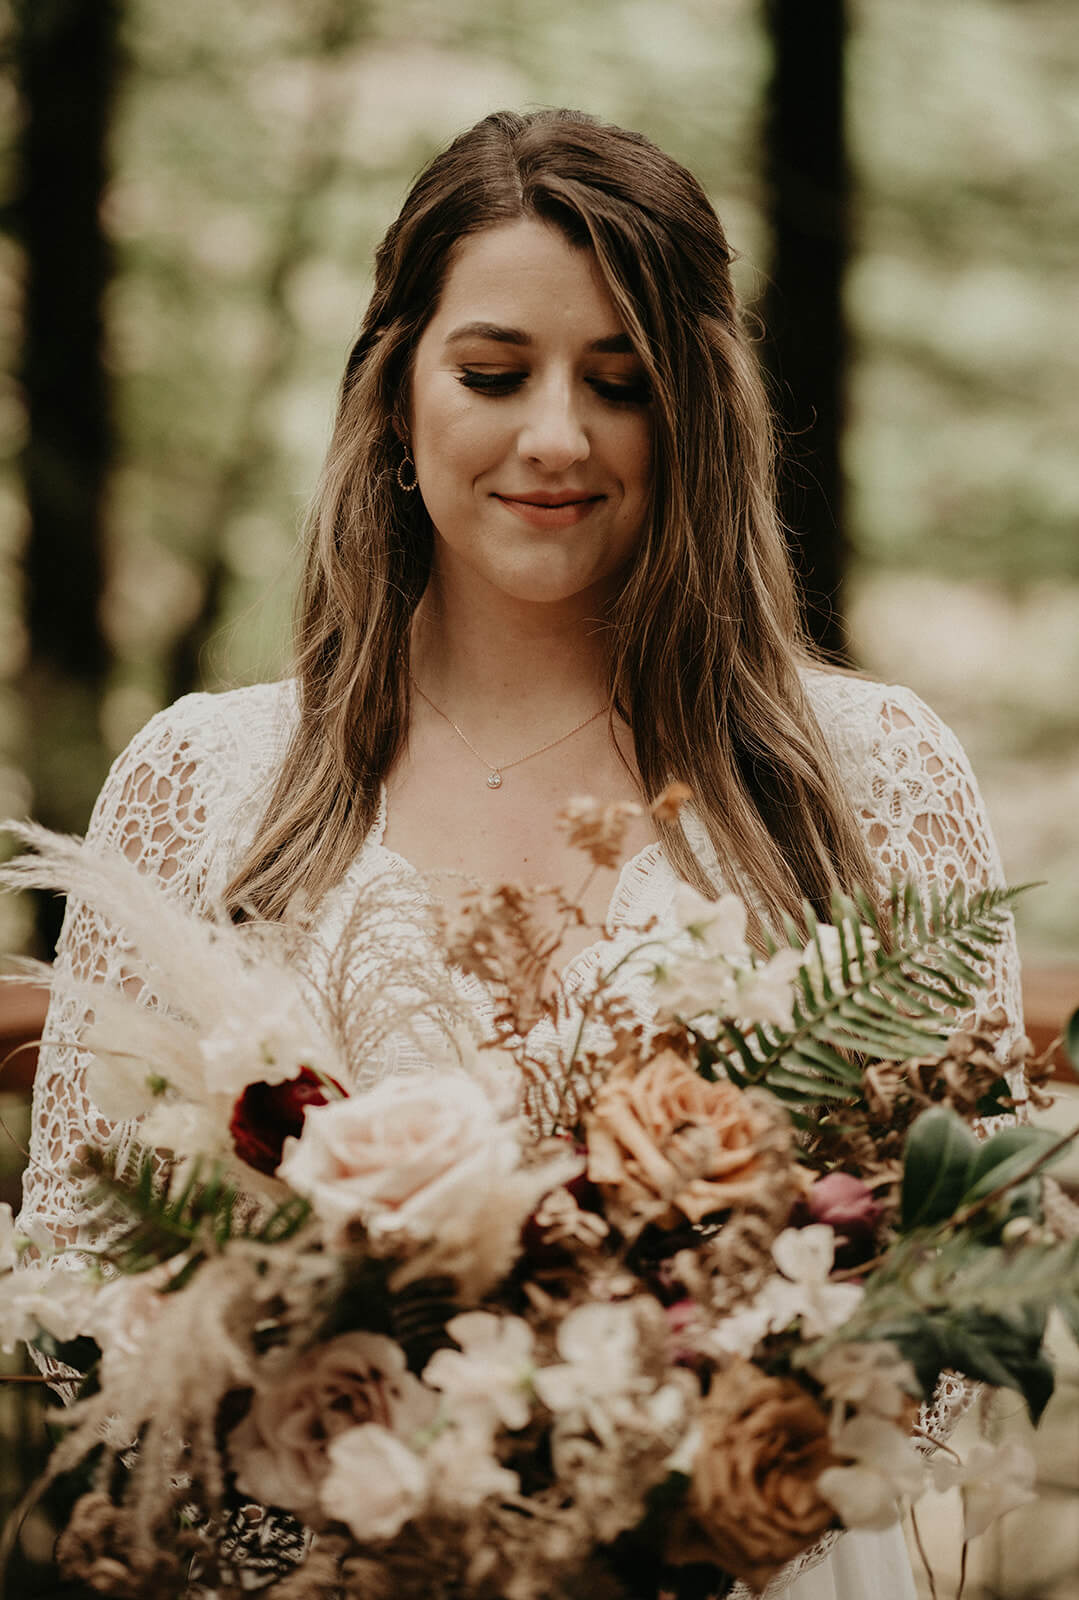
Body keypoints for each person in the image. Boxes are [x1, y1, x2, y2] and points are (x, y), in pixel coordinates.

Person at [18, 108, 1022, 1599]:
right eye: (495, 374)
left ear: (696, 412)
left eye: (620, 384)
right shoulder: (208, 781)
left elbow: (979, 1306)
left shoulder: (860, 775)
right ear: (396, 391)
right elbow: (72, 1292)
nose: (555, 434)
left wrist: (676, 1468)